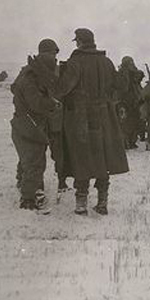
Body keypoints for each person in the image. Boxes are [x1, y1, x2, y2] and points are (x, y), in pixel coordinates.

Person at [55, 28, 129, 215]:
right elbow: (119, 86)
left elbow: (63, 89)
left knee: (82, 157)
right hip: (105, 117)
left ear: (79, 42)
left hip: (81, 117)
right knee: (102, 157)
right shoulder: (106, 62)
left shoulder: (75, 62)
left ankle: (81, 204)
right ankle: (102, 202)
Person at [10, 39, 62, 213]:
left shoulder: (31, 72)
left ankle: (23, 183)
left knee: (29, 157)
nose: (54, 59)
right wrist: (52, 104)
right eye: (53, 55)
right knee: (35, 161)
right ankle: (28, 199)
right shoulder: (30, 76)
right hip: (29, 123)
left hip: (26, 123)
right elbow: (36, 102)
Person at [115, 56, 142, 149]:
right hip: (131, 101)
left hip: (125, 101)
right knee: (130, 122)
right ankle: (129, 142)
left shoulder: (122, 73)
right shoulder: (133, 74)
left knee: (125, 122)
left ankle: (127, 142)